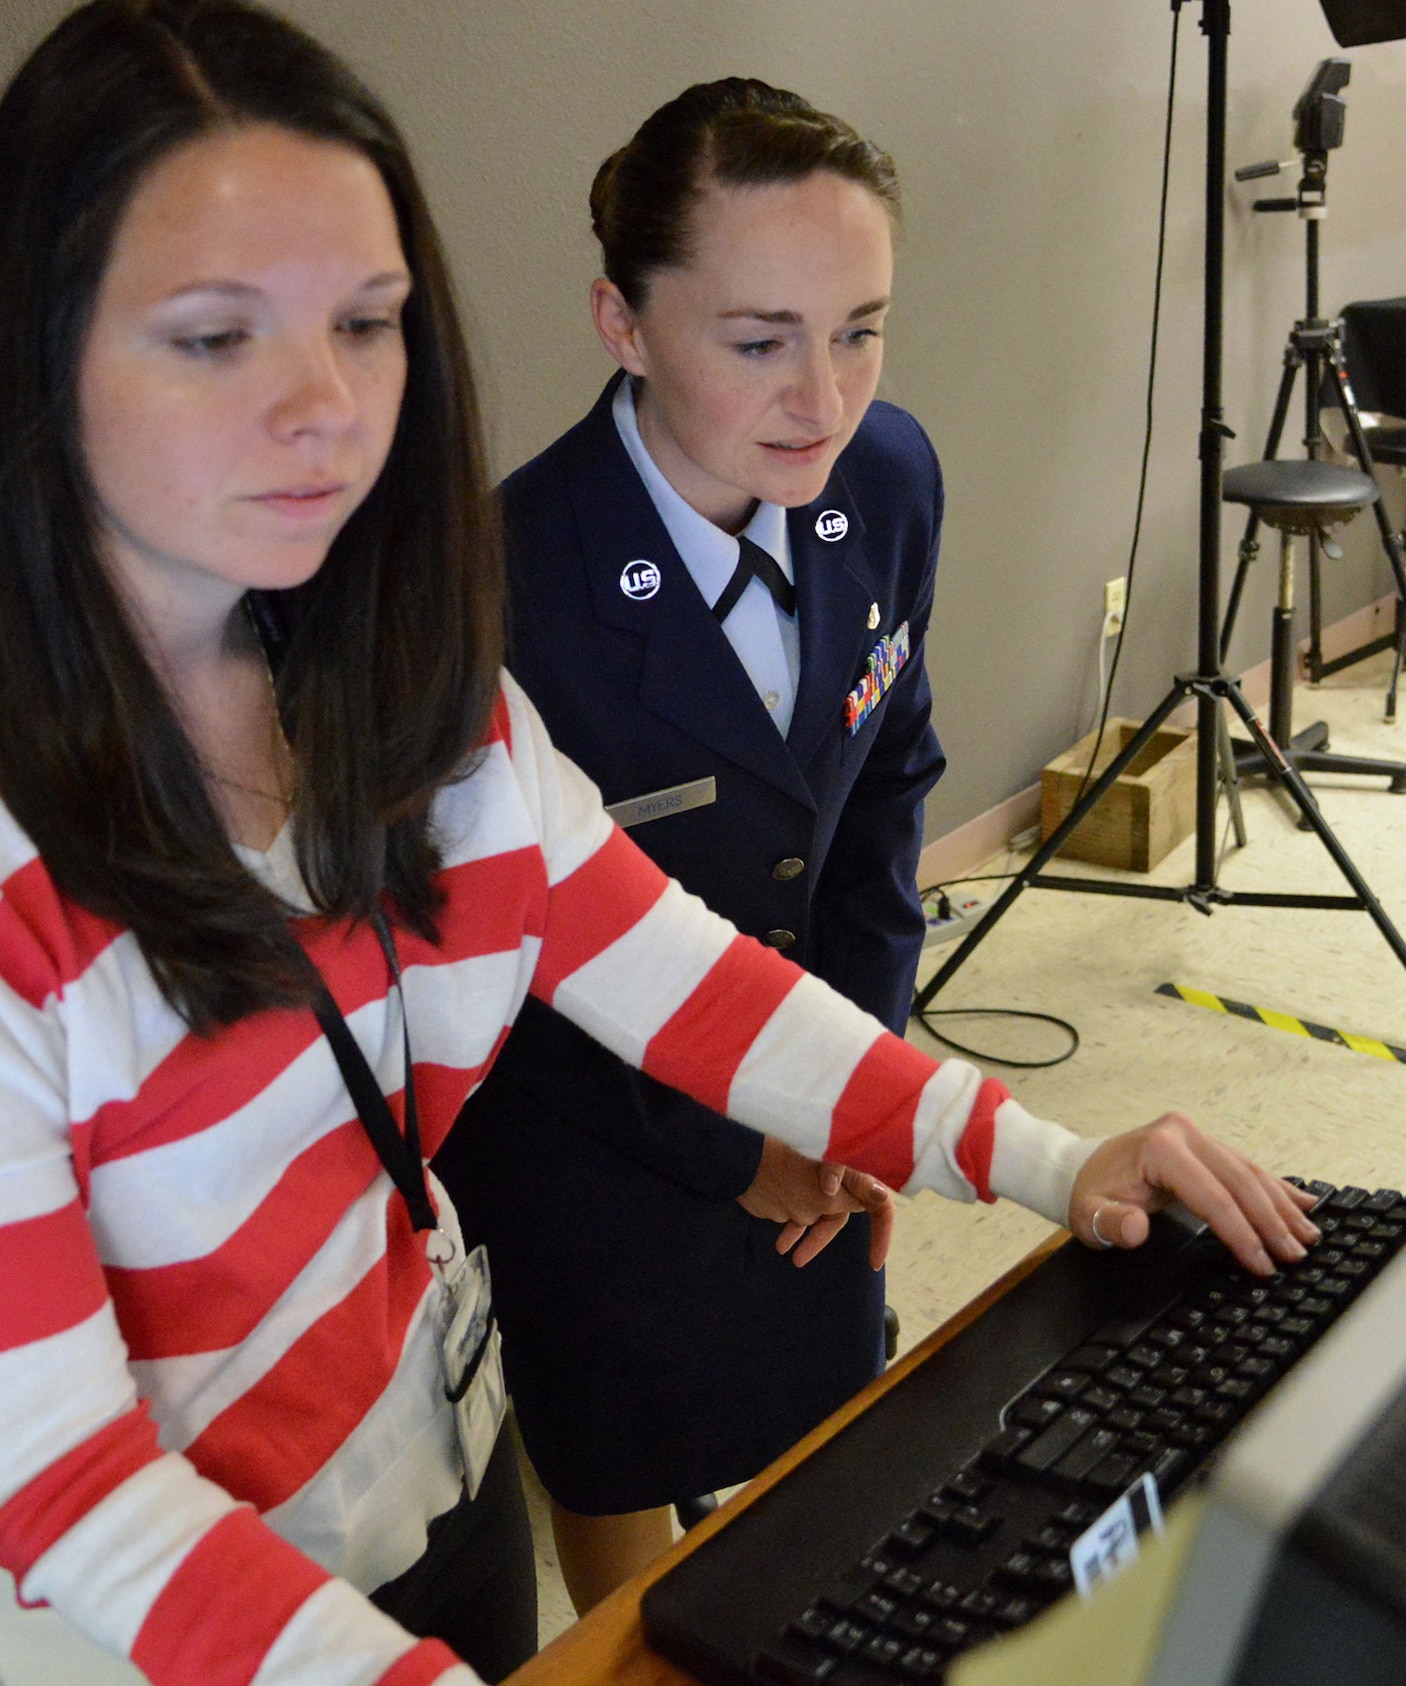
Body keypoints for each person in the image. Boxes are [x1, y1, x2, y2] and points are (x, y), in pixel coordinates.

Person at [0, 6, 1320, 1685]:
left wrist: (1048, 1162)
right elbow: (60, 1480)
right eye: (212, 336)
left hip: (428, 1447)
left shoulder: (411, 697)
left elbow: (676, 969)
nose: (325, 407)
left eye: (367, 321)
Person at [432, 80, 951, 1614]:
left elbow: (885, 788)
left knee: (818, 1448)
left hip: (817, 1079)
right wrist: (739, 1143)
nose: (824, 394)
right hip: (594, 1135)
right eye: (759, 339)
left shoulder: (889, 480)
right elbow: (499, 978)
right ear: (624, 322)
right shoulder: (502, 587)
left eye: (860, 326)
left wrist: (863, 1079)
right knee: (620, 1479)